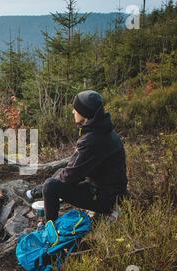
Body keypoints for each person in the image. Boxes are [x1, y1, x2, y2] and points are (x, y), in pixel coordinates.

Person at [22, 90, 128, 222]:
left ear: (85, 113)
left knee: (50, 186)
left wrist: (45, 188)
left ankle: (49, 230)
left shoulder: (92, 140)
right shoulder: (104, 130)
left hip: (106, 200)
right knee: (60, 173)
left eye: (75, 109)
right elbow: (76, 171)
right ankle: (34, 193)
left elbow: (69, 177)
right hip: (112, 192)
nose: (73, 112)